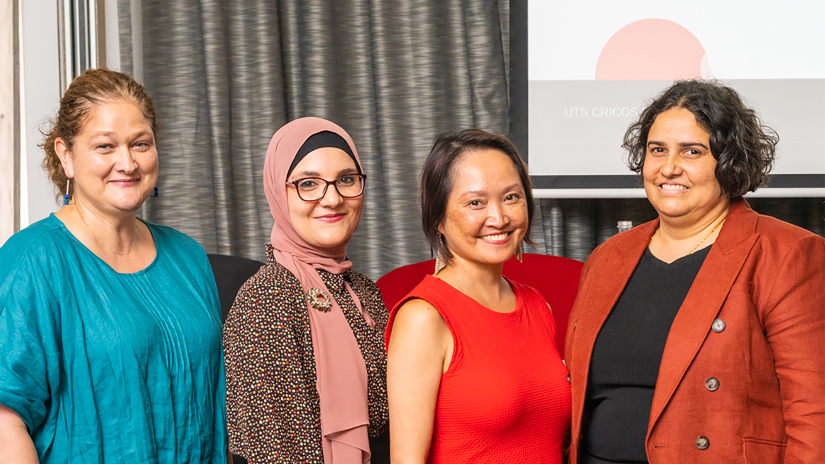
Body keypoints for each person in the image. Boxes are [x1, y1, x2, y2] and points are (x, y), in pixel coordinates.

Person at [565, 80, 825, 463]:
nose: (669, 168)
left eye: (692, 151)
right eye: (657, 150)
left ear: (730, 161)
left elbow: (813, 411)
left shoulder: (786, 253)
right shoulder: (609, 258)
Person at [0, 68, 226, 463]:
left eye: (140, 143)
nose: (127, 163)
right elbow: (5, 420)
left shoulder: (188, 256)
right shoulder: (33, 260)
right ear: (66, 155)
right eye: (105, 147)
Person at [386, 130, 571, 464]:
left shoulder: (537, 305)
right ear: (438, 218)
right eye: (475, 202)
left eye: (512, 197)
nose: (499, 218)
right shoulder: (423, 317)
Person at [223, 117, 389, 464]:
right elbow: (271, 452)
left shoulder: (366, 293)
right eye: (308, 184)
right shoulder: (266, 300)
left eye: (346, 179)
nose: (332, 199)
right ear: (277, 192)